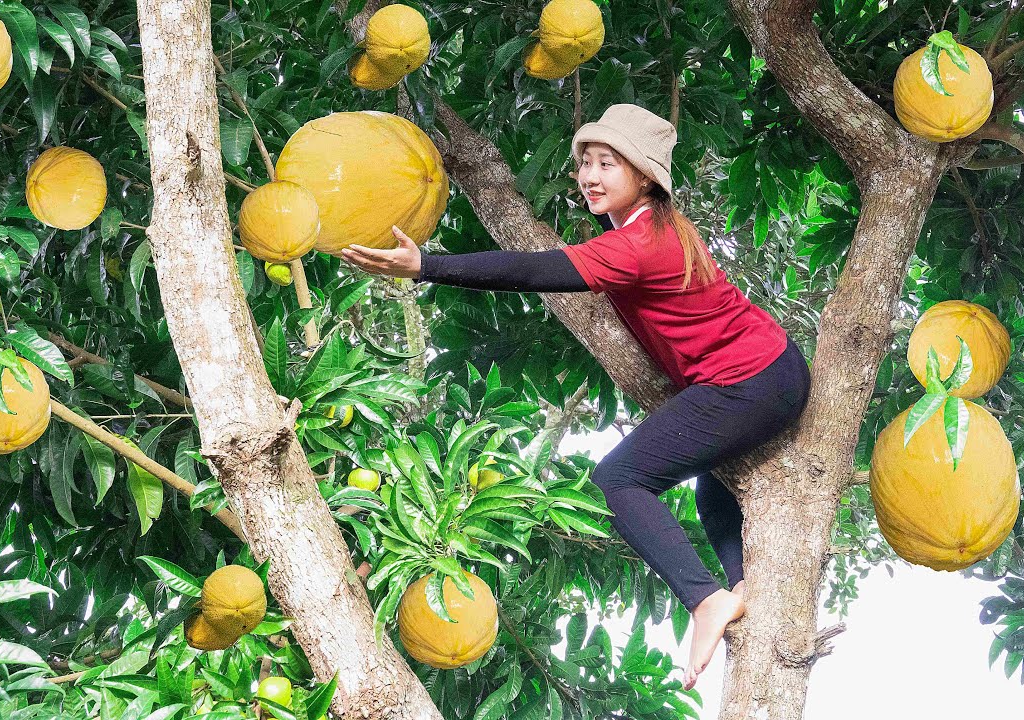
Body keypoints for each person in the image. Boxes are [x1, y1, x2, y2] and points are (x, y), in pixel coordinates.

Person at [340, 103, 811, 690]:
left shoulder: (637, 244)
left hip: (747, 382)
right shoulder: (655, 228)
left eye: (607, 163)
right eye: (585, 162)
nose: (590, 175)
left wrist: (424, 264)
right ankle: (741, 586)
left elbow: (532, 270)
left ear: (642, 175)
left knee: (617, 481)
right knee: (714, 489)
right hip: (776, 367)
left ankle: (705, 598)